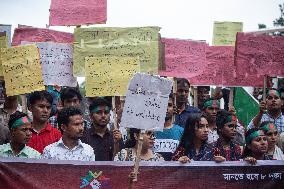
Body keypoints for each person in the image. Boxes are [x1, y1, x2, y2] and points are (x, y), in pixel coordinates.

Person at [154, 93, 184, 160]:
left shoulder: (181, 131)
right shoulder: (149, 131)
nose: (166, 108)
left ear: (174, 109)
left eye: (169, 105)